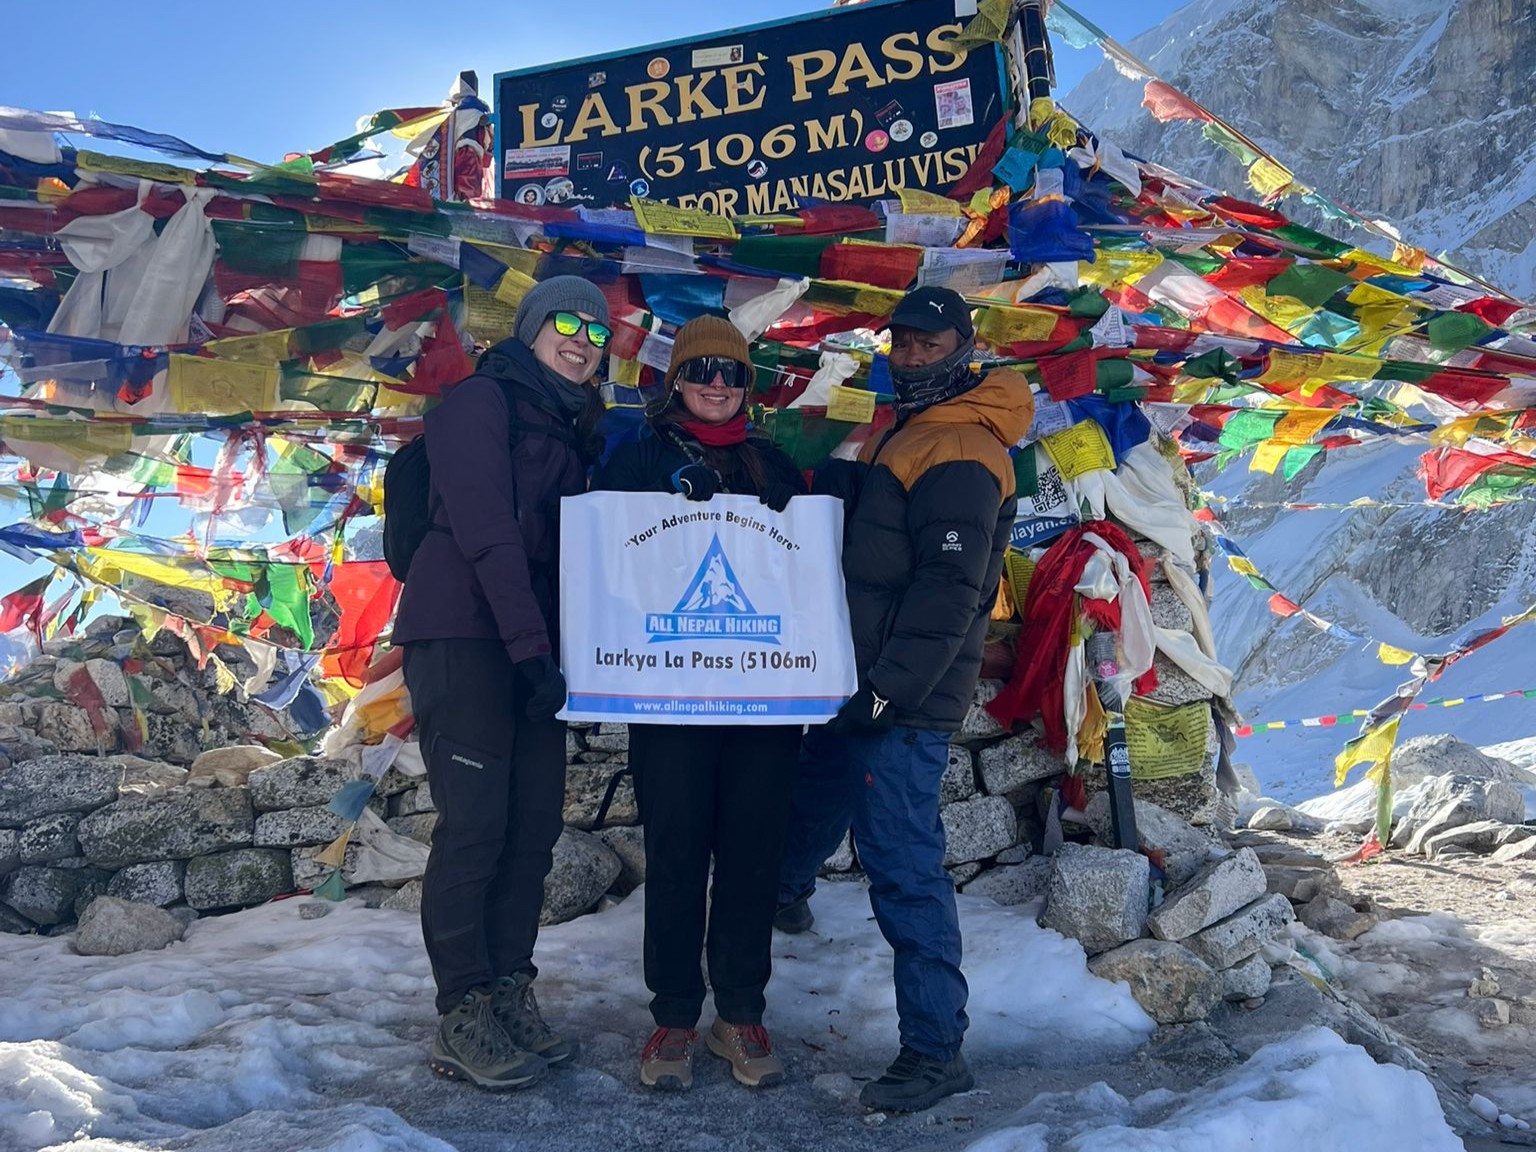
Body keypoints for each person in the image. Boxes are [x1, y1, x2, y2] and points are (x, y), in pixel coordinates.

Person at [774, 287, 1034, 1112]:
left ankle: (935, 1047)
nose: (912, 356)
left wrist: (886, 695)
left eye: (929, 346)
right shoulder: (915, 431)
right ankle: (783, 898)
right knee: (816, 791)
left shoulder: (959, 443)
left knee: (903, 860)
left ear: (963, 348)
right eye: (904, 344)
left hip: (901, 697)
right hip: (861, 681)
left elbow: (947, 590)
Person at [393, 276, 612, 1091]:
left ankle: (509, 988)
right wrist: (529, 650)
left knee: (532, 831)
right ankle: (463, 1010)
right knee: (477, 824)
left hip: (531, 644)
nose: (583, 337)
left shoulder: (576, 423)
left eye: (598, 329)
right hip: (463, 633)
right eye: (565, 320)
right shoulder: (477, 404)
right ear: (528, 327)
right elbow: (487, 535)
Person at [591, 316, 807, 1092]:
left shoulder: (776, 464)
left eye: (734, 373)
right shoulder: (638, 458)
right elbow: (606, 566)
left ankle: (739, 1013)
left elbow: (804, 578)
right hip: (670, 699)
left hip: (763, 705)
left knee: (752, 856)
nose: (718, 384)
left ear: (749, 385)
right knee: (678, 855)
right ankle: (674, 1017)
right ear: (675, 379)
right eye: (702, 370)